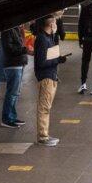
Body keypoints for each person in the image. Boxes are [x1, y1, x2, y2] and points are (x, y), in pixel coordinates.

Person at [33, 15, 67, 146]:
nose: (56, 25)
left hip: (51, 75)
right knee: (44, 107)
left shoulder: (49, 37)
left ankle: (45, 134)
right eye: (55, 22)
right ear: (51, 24)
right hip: (46, 77)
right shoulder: (42, 39)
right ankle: (42, 137)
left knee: (46, 107)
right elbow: (41, 62)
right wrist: (58, 60)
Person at [0, 23, 29, 129]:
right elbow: (9, 49)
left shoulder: (15, 29)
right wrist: (25, 50)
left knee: (15, 93)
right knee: (11, 93)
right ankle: (7, 119)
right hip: (12, 65)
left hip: (18, 64)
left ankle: (12, 116)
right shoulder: (8, 30)